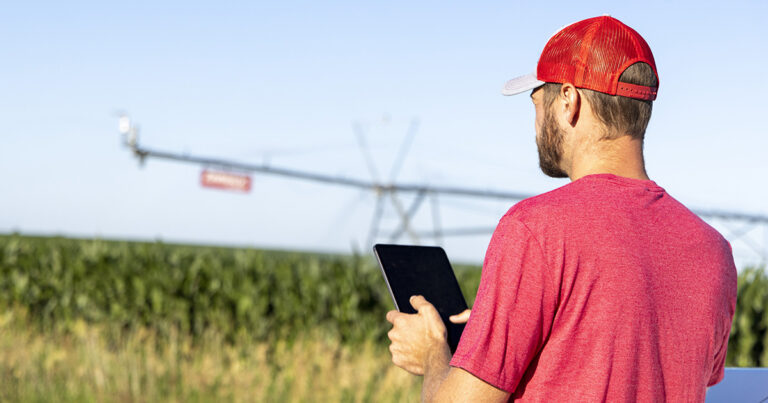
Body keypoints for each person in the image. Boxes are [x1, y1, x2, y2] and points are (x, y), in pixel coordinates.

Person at [385, 16, 737, 402]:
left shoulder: (535, 229)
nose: (535, 121)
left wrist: (436, 354)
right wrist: (496, 336)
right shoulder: (714, 253)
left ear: (569, 101)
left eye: (537, 100)